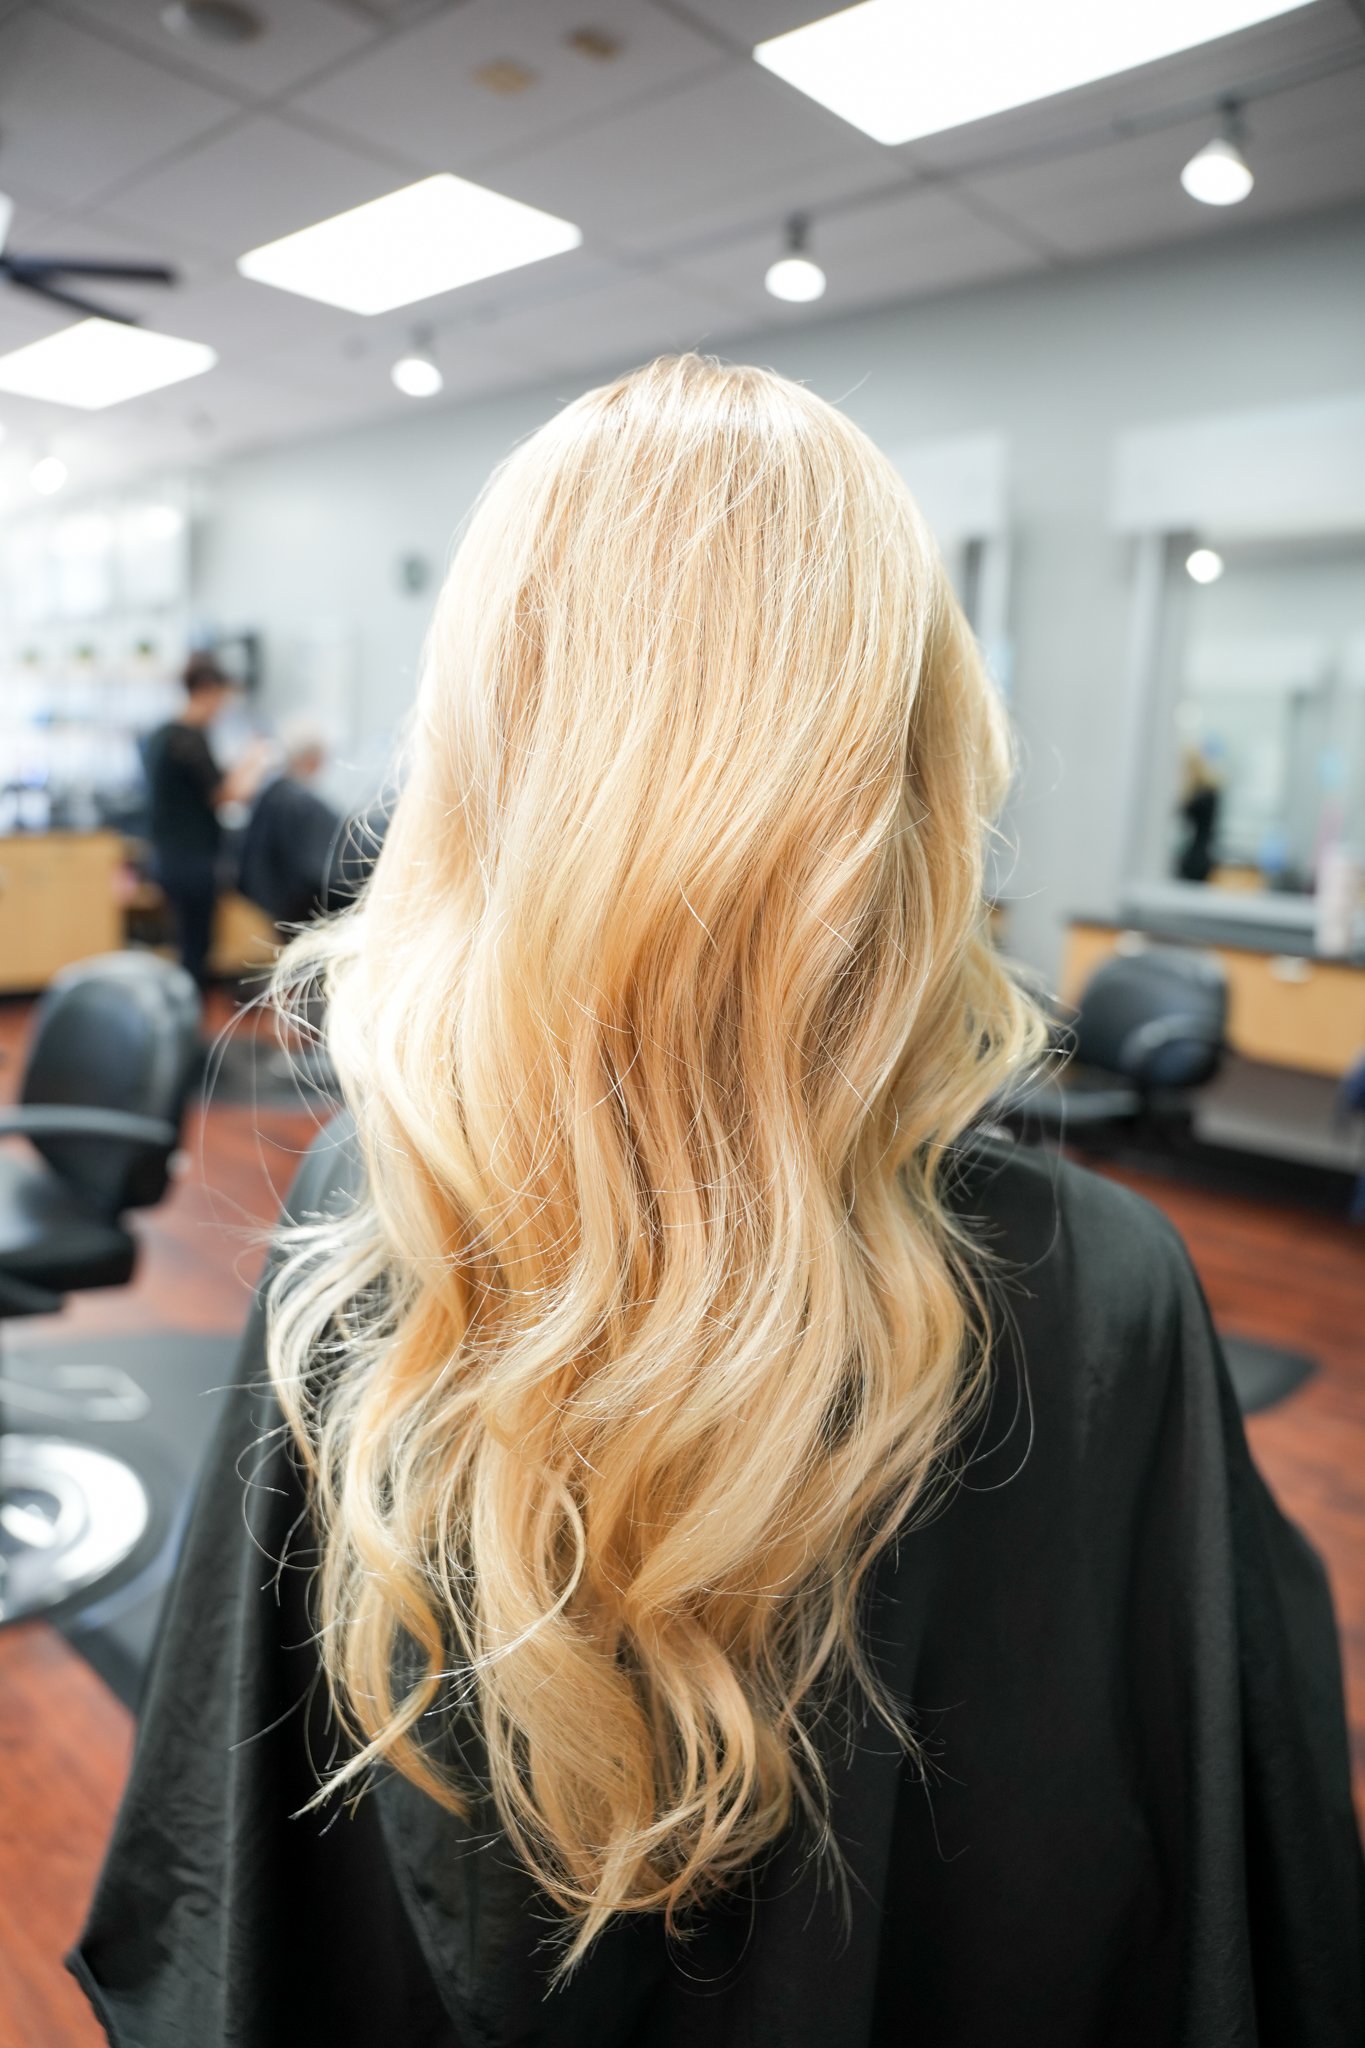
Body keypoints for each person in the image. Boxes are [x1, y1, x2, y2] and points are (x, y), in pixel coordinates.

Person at [73, 359, 1363, 2047]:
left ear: (482, 754)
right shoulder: (1099, 1280)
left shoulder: (368, 1211)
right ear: (919, 755)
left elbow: (237, 1906)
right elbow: (1224, 1889)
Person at [141, 656, 269, 986]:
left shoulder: (162, 735)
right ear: (207, 691)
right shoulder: (188, 739)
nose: (222, 708)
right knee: (196, 947)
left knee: (187, 942)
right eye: (221, 698)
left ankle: (186, 1006)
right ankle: (188, 1011)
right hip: (191, 860)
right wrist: (256, 761)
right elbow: (225, 794)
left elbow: (210, 784)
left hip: (168, 856)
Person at [235, 717, 343, 931]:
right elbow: (318, 870)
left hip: (272, 904)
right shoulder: (297, 802)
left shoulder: (274, 794)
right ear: (313, 760)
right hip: (295, 909)